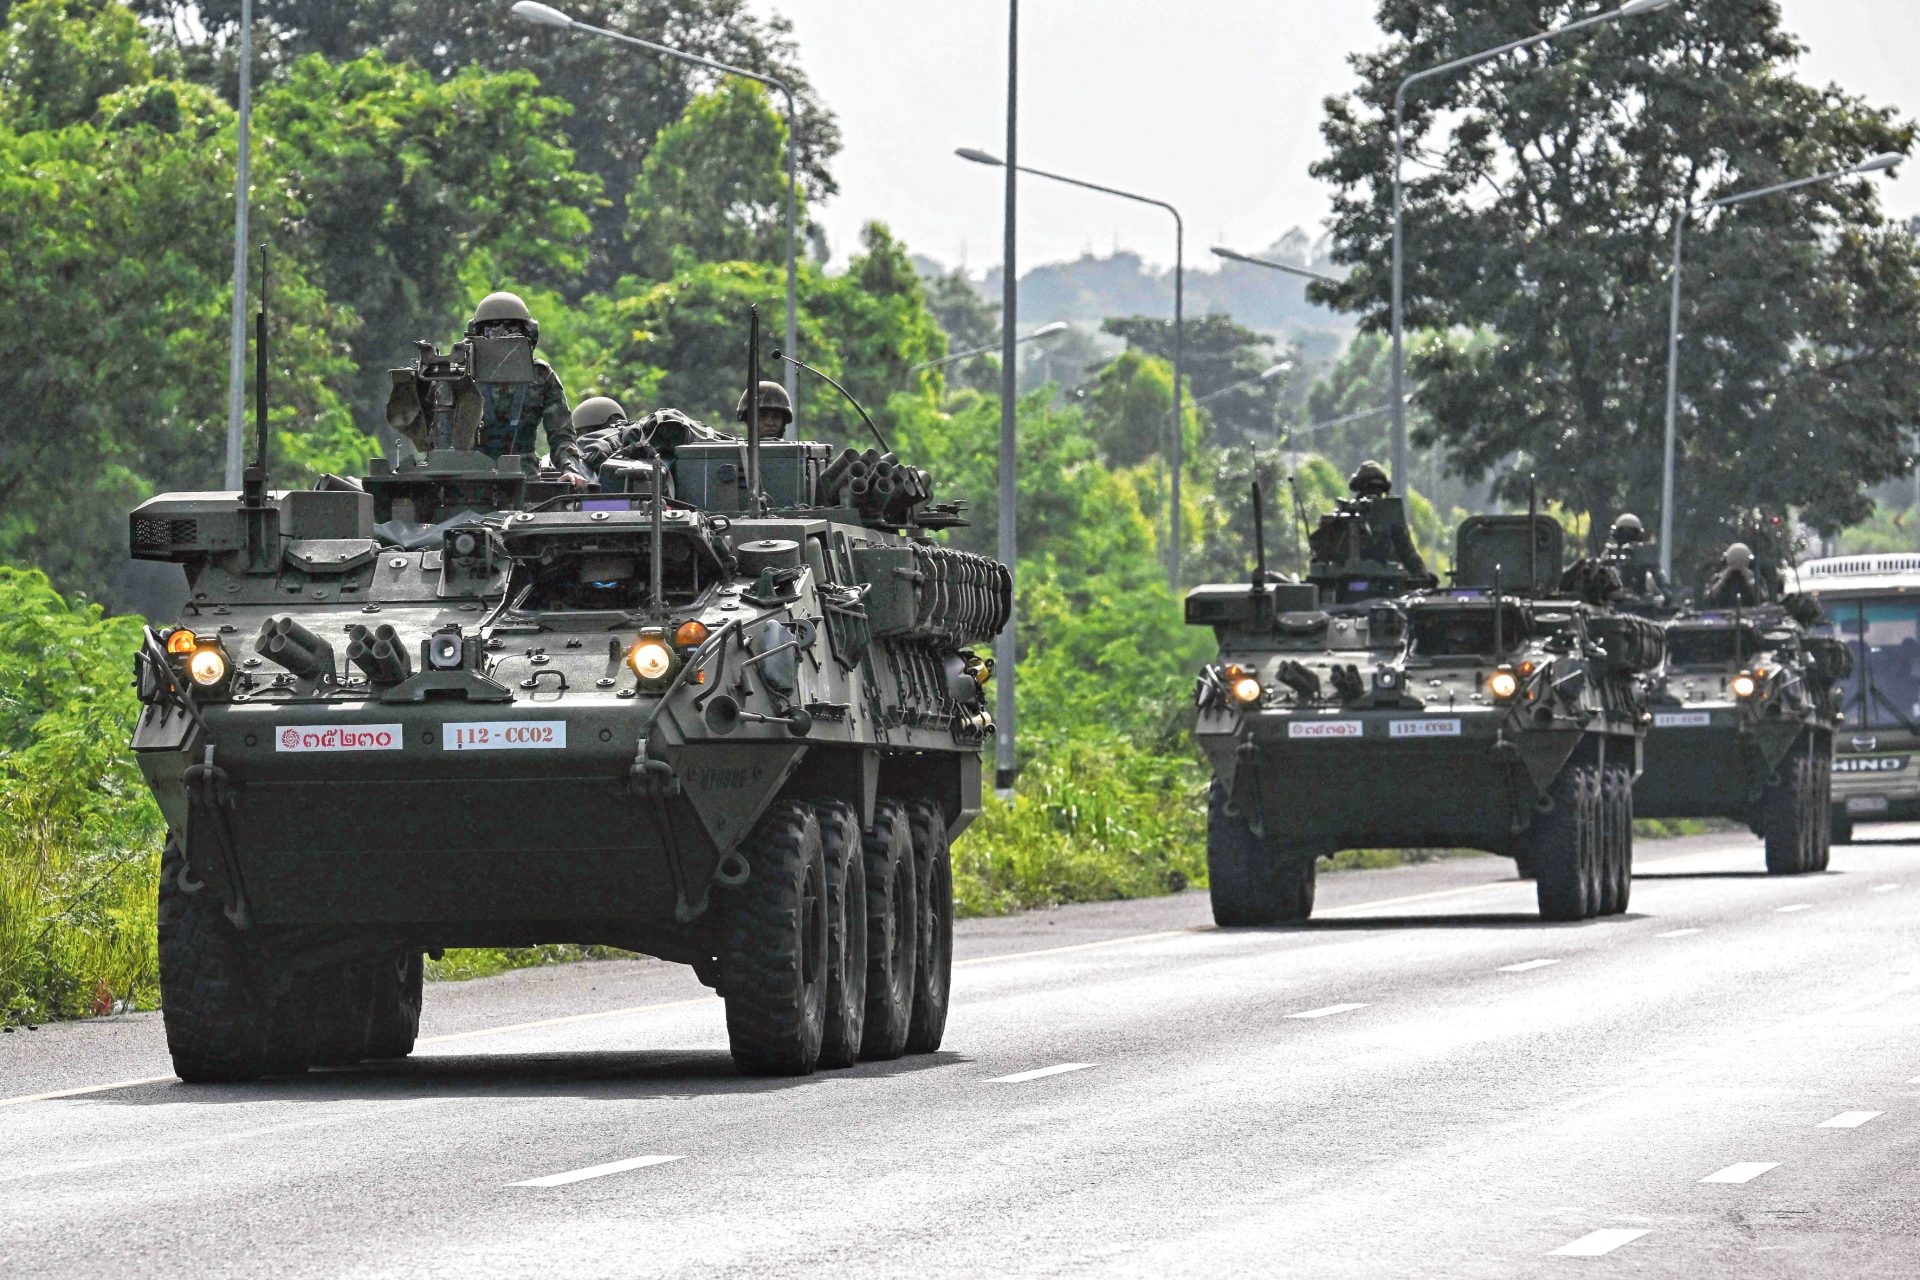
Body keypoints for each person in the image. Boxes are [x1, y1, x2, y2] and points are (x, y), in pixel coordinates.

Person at [465, 292, 587, 487]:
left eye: (511, 326)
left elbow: (561, 434)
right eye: (492, 327)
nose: (502, 333)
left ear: (527, 332)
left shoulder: (541, 376)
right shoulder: (463, 375)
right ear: (477, 333)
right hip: (468, 481)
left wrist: (569, 468)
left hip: (525, 481)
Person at [1602, 512, 1672, 604]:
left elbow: (1658, 573)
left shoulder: (1644, 553)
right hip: (1612, 599)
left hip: (1639, 599)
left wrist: (1666, 592)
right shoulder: (1610, 553)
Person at [1704, 542, 1767, 608]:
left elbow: (1763, 598)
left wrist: (1749, 579)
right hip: (1723, 615)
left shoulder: (1756, 578)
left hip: (1751, 614)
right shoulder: (1718, 578)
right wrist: (1724, 579)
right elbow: (1710, 597)